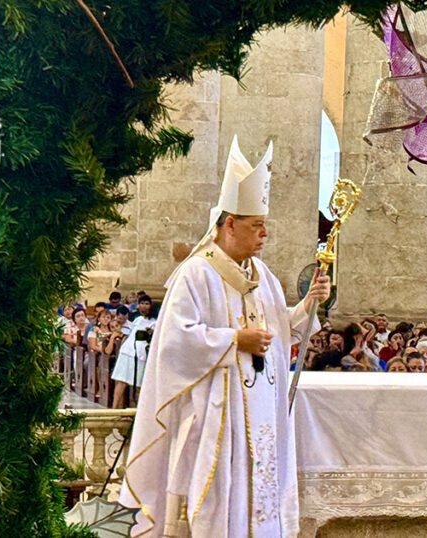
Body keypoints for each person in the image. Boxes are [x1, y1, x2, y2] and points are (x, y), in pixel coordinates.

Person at [120, 136, 330, 538]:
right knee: (222, 505)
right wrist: (236, 341)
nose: (264, 234)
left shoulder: (261, 274)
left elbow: (278, 328)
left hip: (263, 409)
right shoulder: (196, 273)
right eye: (256, 226)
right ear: (229, 224)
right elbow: (175, 343)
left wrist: (308, 305)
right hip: (220, 413)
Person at [110, 295, 157, 408]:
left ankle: (138, 409)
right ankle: (114, 408)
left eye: (146, 304)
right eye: (141, 303)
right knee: (121, 380)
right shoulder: (137, 319)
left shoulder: (155, 322)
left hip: (140, 354)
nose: (144, 306)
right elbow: (129, 333)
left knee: (139, 384)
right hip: (127, 351)